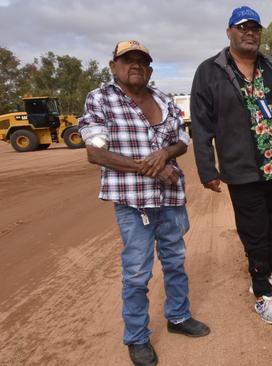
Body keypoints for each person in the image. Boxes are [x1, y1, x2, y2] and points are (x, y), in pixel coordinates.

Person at [79, 40, 209, 366]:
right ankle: (137, 337)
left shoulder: (163, 99)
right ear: (114, 65)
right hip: (133, 202)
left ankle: (178, 317)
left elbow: (182, 140)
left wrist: (165, 154)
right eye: (128, 59)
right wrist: (149, 167)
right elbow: (95, 151)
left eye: (142, 60)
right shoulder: (100, 99)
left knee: (176, 260)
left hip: (170, 198)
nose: (135, 64)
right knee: (137, 272)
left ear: (150, 69)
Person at [190, 6, 272, 325]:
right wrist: (207, 168)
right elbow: (201, 124)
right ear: (229, 32)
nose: (250, 32)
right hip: (242, 171)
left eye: (255, 28)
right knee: (255, 232)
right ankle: (262, 293)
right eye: (243, 27)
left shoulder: (271, 67)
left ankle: (262, 274)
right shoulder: (210, 71)